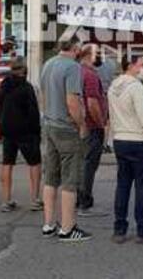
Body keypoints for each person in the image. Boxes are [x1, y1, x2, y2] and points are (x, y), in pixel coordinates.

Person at [40, 38, 91, 242]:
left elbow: (43, 95)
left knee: (51, 177)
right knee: (70, 179)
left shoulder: (48, 64)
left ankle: (49, 223)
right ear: (76, 48)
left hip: (50, 124)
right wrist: (81, 124)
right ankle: (68, 228)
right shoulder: (72, 68)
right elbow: (72, 101)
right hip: (66, 128)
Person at [108, 53, 143, 244]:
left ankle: (119, 229)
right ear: (130, 65)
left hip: (120, 139)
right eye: (142, 64)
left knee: (122, 185)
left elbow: (112, 115)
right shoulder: (136, 88)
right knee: (142, 187)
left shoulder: (114, 86)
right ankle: (142, 230)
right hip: (140, 140)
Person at [0, 57, 42, 212]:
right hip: (26, 130)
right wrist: (37, 130)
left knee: (7, 163)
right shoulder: (26, 87)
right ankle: (35, 199)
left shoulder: (4, 85)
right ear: (24, 70)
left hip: (7, 129)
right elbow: (33, 111)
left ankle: (6, 199)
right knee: (34, 163)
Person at [77, 44, 109, 217]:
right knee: (89, 165)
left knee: (83, 163)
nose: (100, 56)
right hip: (92, 127)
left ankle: (78, 199)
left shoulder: (79, 71)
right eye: (98, 53)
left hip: (83, 126)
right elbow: (92, 103)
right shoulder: (89, 75)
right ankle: (85, 202)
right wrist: (100, 122)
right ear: (89, 55)